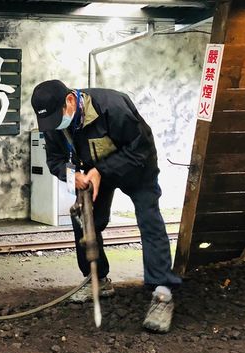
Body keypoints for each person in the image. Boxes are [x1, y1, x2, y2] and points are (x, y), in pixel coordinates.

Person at [30, 79, 181, 333]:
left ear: (70, 101)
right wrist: (72, 176)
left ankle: (162, 292)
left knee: (149, 220)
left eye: (58, 118)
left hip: (137, 168)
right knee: (82, 217)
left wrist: (102, 169)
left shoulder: (112, 106)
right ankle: (98, 280)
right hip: (94, 172)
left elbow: (141, 150)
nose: (55, 126)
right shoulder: (54, 124)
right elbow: (55, 160)